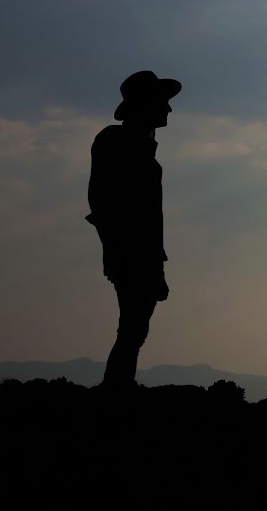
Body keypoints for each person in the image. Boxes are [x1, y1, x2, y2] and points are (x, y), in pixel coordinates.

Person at [86, 70, 181, 389]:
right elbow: (103, 203)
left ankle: (118, 387)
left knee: (134, 328)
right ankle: (115, 390)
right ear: (146, 104)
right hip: (131, 252)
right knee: (133, 329)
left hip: (141, 254)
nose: (169, 109)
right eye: (163, 102)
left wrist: (156, 263)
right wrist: (119, 252)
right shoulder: (116, 142)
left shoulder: (137, 146)